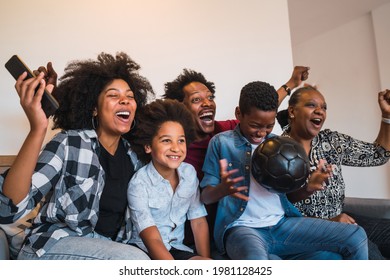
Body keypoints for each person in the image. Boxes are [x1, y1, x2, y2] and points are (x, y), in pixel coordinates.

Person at [0, 52, 155, 260]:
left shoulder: (134, 159)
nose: (125, 101)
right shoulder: (69, 143)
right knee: (135, 261)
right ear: (94, 109)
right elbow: (9, 209)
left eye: (130, 96)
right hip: (53, 246)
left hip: (106, 249)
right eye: (113, 95)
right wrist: (38, 128)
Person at [199, 81, 369, 260]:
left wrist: (308, 187)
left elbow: (287, 198)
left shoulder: (281, 146)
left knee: (355, 236)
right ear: (239, 114)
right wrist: (223, 189)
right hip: (243, 229)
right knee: (258, 262)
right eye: (255, 125)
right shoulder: (221, 143)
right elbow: (205, 197)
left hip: (282, 224)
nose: (262, 133)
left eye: (269, 126)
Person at [162, 66, 310, 246]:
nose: (207, 103)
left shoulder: (224, 133)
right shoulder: (174, 149)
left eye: (210, 97)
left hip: (234, 230)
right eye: (196, 100)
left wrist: (290, 84)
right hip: (193, 239)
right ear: (180, 108)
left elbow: (258, 113)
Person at [277, 85, 390, 259]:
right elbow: (278, 210)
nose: (320, 111)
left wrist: (387, 116)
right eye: (311, 105)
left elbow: (378, 155)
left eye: (324, 107)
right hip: (306, 232)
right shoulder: (277, 151)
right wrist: (328, 224)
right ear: (292, 111)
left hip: (342, 218)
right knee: (370, 253)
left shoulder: (332, 141)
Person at [127, 99, 210, 260]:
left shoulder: (189, 173)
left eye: (181, 140)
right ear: (148, 146)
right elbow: (152, 239)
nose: (176, 148)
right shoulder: (139, 184)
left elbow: (198, 221)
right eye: (166, 140)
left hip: (177, 248)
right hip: (145, 250)